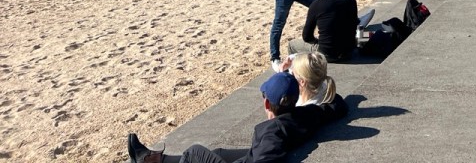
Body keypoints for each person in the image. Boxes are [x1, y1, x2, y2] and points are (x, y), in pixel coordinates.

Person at [126, 70, 347, 163]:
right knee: (218, 153)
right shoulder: (308, 113)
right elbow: (336, 105)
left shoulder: (272, 135)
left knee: (194, 153)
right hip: (258, 152)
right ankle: (153, 159)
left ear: (267, 103)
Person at [290, 0, 358, 62]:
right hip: (348, 51)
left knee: (292, 45)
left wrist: (318, 41)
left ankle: (296, 73)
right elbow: (354, 23)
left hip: (327, 54)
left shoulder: (316, 5)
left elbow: (306, 36)